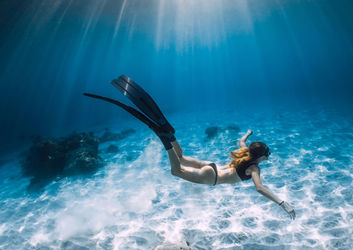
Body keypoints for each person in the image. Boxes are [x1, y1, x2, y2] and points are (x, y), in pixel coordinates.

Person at [84, 74, 296, 220]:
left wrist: (248, 134)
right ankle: (165, 140)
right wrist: (282, 203)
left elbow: (242, 143)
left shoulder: (245, 153)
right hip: (211, 178)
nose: (268, 158)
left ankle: (171, 135)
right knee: (176, 170)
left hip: (211, 166)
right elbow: (259, 188)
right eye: (267, 155)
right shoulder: (255, 168)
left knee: (182, 157)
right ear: (259, 157)